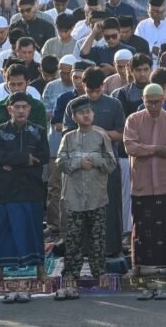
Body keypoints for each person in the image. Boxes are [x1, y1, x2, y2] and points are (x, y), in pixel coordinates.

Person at [123, 83, 166, 276]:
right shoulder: (133, 120)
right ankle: (137, 266)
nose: (153, 107)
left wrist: (146, 150)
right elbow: (131, 148)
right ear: (143, 100)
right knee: (141, 226)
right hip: (142, 183)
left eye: (157, 102)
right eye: (149, 103)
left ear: (163, 100)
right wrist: (158, 149)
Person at [56, 96, 117, 287]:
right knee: (73, 237)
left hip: (96, 195)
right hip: (74, 196)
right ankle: (71, 273)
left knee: (97, 237)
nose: (86, 116)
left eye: (88, 112)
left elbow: (111, 164)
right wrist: (78, 163)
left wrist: (96, 160)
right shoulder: (68, 137)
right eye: (81, 113)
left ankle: (99, 272)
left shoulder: (101, 136)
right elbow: (60, 162)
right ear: (74, 117)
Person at [0, 92, 49, 283]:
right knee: (5, 229)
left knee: (34, 229)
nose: (21, 110)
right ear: (10, 109)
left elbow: (43, 156)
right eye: (17, 107)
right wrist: (25, 159)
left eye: (25, 107)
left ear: (30, 109)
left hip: (31, 187)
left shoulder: (39, 131)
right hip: (8, 189)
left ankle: (40, 270)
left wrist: (13, 161)